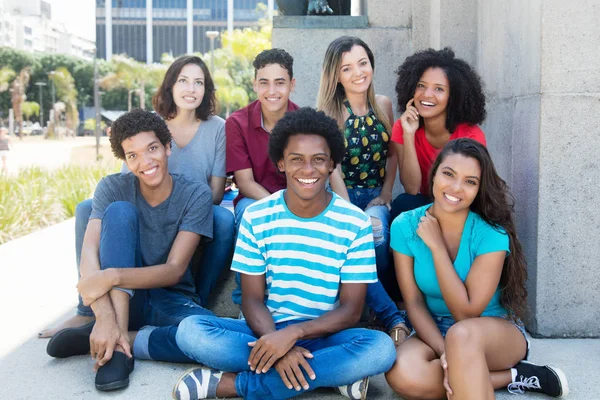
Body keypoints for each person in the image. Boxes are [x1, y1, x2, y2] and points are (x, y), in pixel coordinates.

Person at [172, 107, 396, 400]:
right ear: (280, 163)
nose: (308, 169)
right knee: (190, 331)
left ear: (332, 164)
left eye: (318, 159)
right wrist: (277, 344)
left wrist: (293, 336)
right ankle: (328, 375)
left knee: (381, 349)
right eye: (296, 160)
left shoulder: (354, 223)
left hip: (324, 335)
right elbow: (251, 299)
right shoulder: (258, 217)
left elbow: (352, 311)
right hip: (263, 332)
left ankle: (236, 386)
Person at [39, 55, 234, 338]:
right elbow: (127, 177)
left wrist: (187, 200)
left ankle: (192, 301)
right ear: (170, 86)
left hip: (194, 204)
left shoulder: (216, 127)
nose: (191, 89)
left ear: (206, 90)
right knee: (87, 209)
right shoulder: (149, 123)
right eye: (183, 81)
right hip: (145, 203)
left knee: (223, 220)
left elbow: (215, 190)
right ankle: (87, 310)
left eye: (198, 83)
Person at [45, 109, 216, 391]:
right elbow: (88, 255)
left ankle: (122, 339)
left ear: (167, 147)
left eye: (152, 149)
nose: (145, 162)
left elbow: (174, 270)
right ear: (125, 160)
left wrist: (111, 276)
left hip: (169, 299)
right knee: (120, 212)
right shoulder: (112, 187)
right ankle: (117, 352)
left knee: (213, 338)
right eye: (133, 155)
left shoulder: (195, 193)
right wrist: (105, 316)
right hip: (122, 301)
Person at [385, 138, 569, 399]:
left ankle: (483, 369)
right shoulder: (404, 225)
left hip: (490, 330)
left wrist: (437, 248)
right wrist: (444, 353)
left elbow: (467, 312)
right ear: (434, 173)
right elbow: (413, 302)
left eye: (470, 181)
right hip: (435, 329)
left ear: (479, 189)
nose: (456, 187)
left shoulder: (491, 234)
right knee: (402, 374)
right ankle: (516, 376)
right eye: (449, 174)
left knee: (461, 335)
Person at [317, 36, 409, 345]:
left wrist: (385, 193)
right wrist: (346, 210)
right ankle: (391, 315)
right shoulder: (331, 113)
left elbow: (393, 153)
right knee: (357, 234)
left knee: (377, 232)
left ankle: (368, 301)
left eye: (363, 63)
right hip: (340, 196)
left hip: (374, 194)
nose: (358, 72)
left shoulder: (382, 105)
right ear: (336, 75)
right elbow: (333, 168)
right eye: (347, 68)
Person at [226, 48, 299, 305]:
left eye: (280, 82)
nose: (272, 91)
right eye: (264, 82)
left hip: (298, 197)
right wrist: (278, 208)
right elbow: (245, 182)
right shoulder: (237, 123)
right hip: (255, 198)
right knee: (248, 213)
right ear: (254, 84)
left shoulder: (303, 120)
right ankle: (246, 301)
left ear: (292, 84)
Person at [390, 47, 487, 219]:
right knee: (404, 204)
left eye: (439, 89)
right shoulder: (403, 127)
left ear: (453, 97)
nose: (427, 95)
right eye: (421, 86)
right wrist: (408, 134)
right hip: (425, 205)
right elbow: (412, 189)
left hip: (459, 205)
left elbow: (469, 193)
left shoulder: (471, 135)